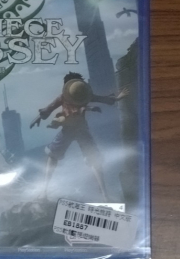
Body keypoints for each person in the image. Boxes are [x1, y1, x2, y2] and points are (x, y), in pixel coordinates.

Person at [30, 72, 128, 200]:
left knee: (93, 159)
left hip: (80, 129)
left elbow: (103, 99)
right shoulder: (64, 97)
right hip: (69, 129)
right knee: (53, 156)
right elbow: (48, 109)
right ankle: (44, 191)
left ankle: (105, 195)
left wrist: (117, 98)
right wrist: (38, 118)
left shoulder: (84, 95)